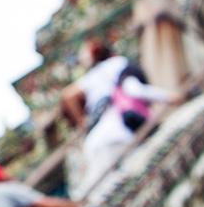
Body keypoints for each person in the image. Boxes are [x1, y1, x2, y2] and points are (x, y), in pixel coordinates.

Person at [62, 41, 181, 198]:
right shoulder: (119, 64)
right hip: (117, 131)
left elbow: (67, 95)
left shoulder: (93, 75)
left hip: (96, 137)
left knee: (100, 188)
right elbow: (134, 89)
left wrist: (82, 122)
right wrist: (169, 97)